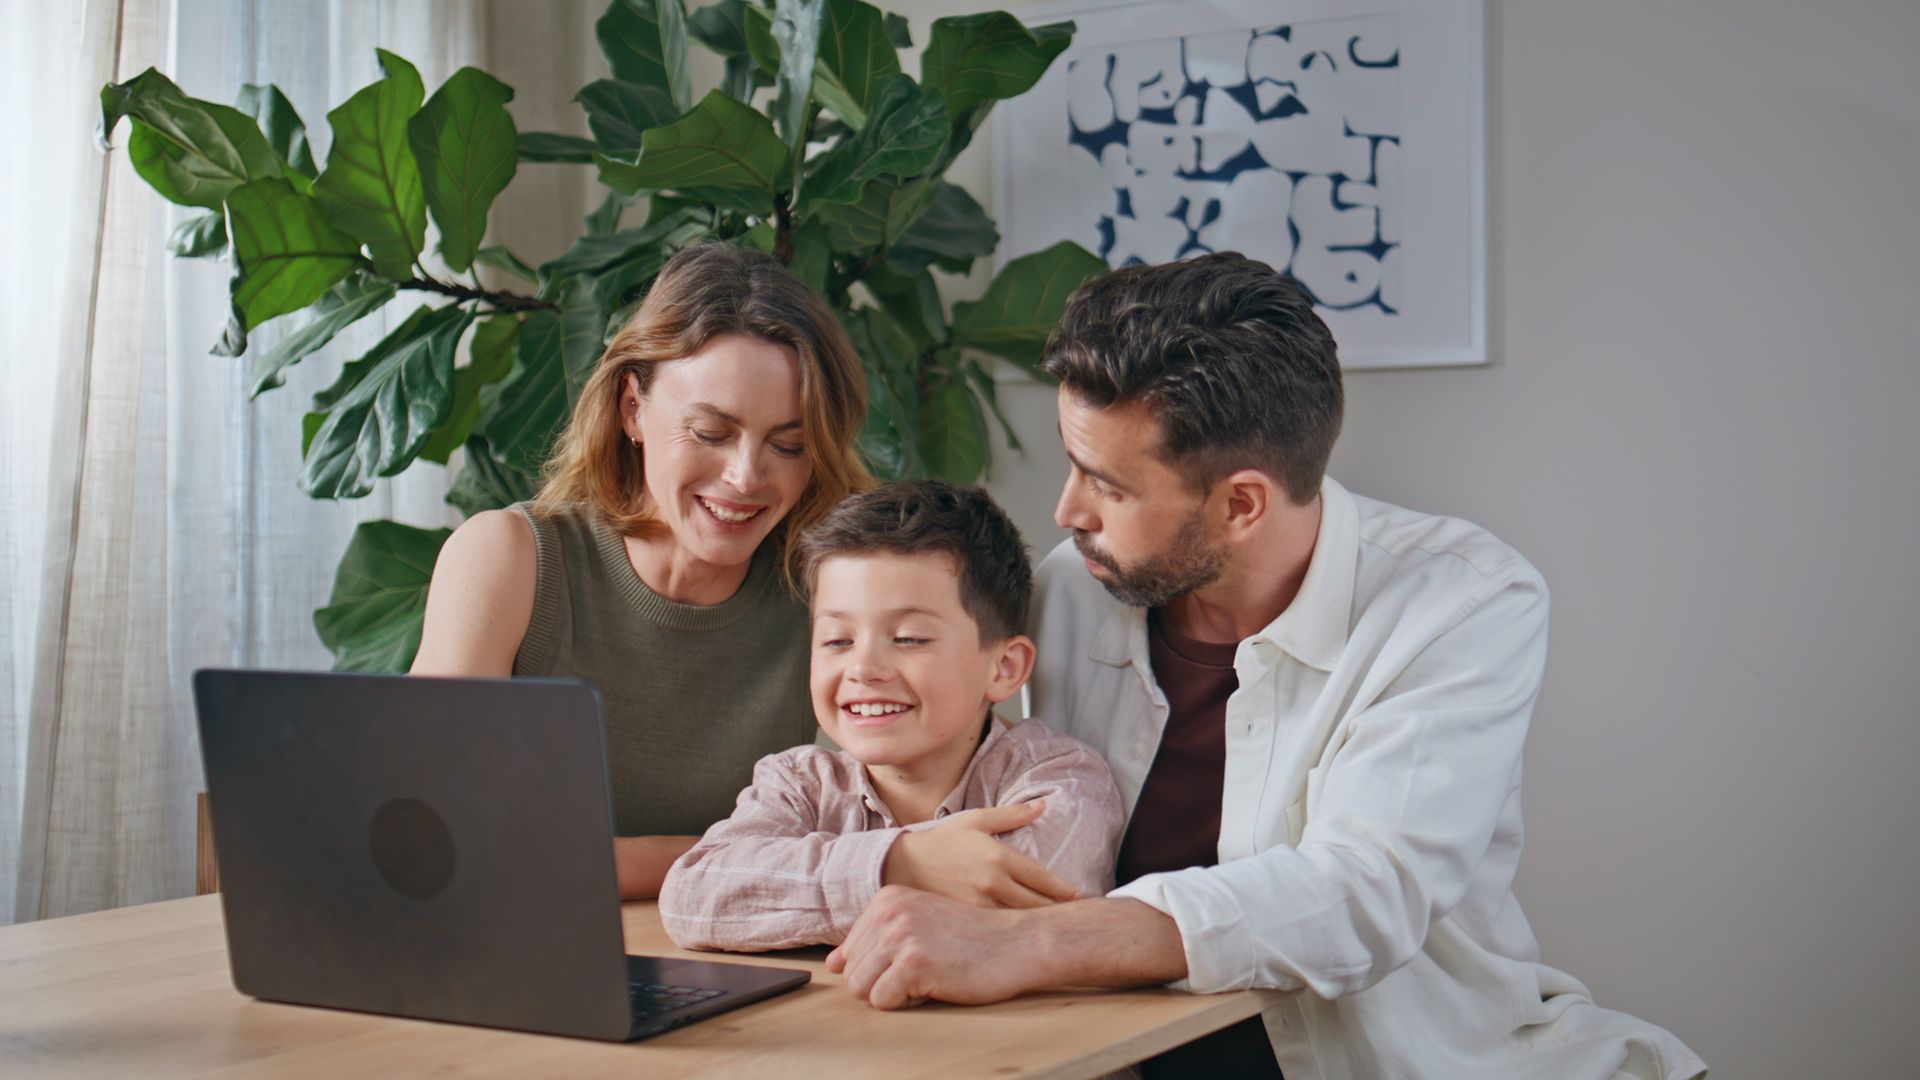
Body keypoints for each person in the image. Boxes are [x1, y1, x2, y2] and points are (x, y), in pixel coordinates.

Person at [824, 254, 1707, 1078]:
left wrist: (1033, 943)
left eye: (1110, 486)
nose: (1067, 511)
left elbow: (1365, 889)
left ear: (1242, 504)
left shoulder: (1462, 601)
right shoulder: (1072, 591)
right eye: (1072, 463)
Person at [412, 243, 872, 900]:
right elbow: (434, 826)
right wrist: (747, 858)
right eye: (711, 432)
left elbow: (913, 817)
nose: (746, 476)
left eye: (788, 444)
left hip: (743, 962)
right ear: (633, 408)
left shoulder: (830, 588)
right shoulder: (510, 560)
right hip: (512, 958)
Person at [658, 480, 1124, 951]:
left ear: (1003, 668)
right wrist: (900, 862)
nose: (863, 669)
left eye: (909, 639)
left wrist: (806, 886)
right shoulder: (800, 782)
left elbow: (1016, 909)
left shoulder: (1058, 778)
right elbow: (692, 898)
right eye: (838, 641)